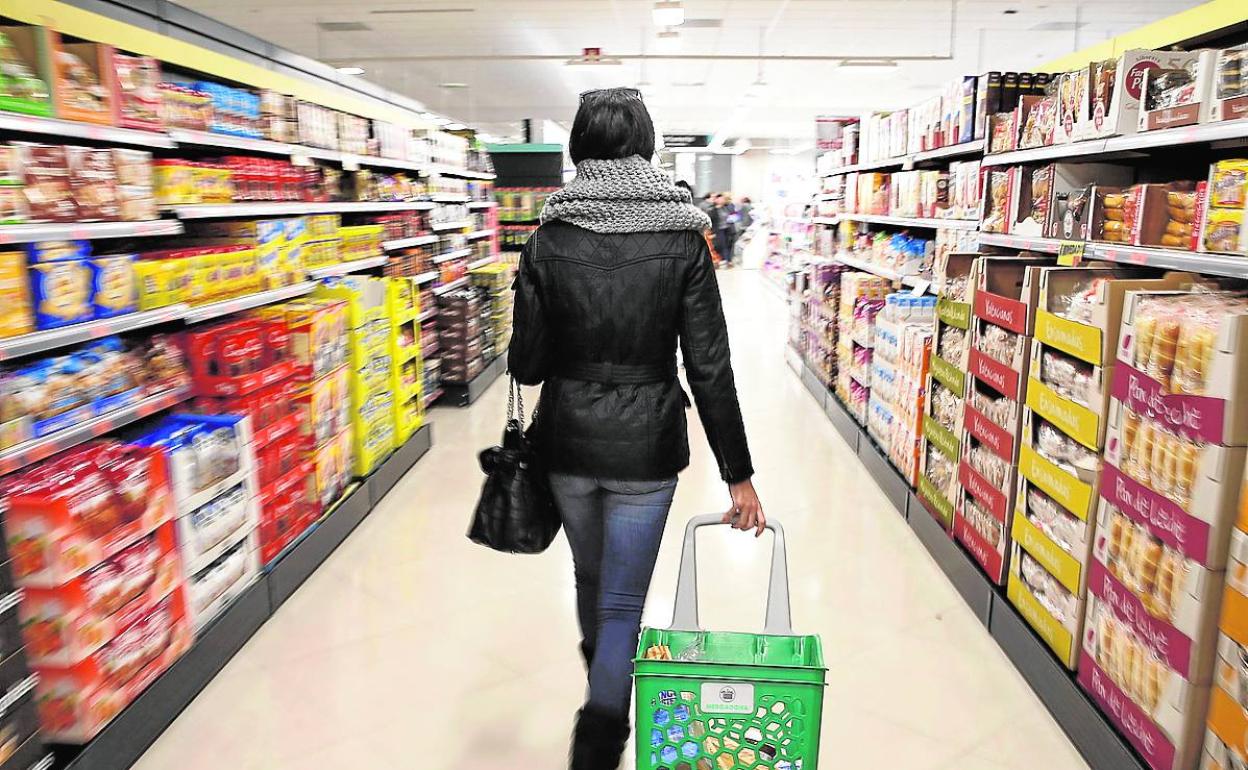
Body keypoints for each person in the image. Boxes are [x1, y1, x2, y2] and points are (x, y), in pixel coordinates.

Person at [508, 87, 764, 770]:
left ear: (578, 147)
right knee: (623, 599)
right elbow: (710, 367)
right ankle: (599, 733)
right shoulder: (684, 237)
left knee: (590, 581)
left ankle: (605, 681)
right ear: (645, 145)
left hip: (566, 438)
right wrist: (738, 474)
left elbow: (527, 367)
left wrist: (533, 296)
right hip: (647, 444)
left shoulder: (546, 238)